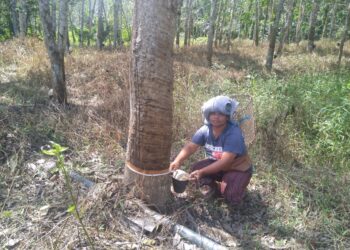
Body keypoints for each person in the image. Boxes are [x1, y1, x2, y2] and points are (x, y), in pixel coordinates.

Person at [169, 95, 253, 205]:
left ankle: (235, 186)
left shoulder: (233, 133)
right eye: (213, 113)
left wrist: (202, 172)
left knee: (231, 197)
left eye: (221, 114)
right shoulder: (205, 130)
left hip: (237, 168)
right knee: (195, 168)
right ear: (207, 115)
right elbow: (191, 146)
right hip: (218, 164)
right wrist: (178, 161)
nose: (216, 117)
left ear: (227, 116)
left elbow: (225, 161)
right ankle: (214, 187)